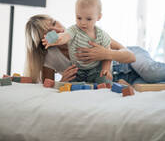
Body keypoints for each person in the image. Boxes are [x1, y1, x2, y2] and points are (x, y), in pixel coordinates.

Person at [25, 14, 165, 85]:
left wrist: (106, 53)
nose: (57, 29)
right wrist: (62, 82)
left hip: (126, 61)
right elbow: (48, 88)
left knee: (150, 73)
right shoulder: (50, 58)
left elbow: (126, 53)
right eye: (50, 32)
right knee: (149, 87)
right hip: (118, 79)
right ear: (45, 40)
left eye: (54, 23)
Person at [43, 0, 113, 84]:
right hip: (78, 70)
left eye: (88, 19)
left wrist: (106, 69)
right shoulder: (74, 30)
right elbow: (64, 36)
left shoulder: (102, 35)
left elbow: (108, 55)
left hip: (96, 69)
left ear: (98, 17)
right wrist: (56, 39)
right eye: (79, 18)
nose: (83, 23)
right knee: (70, 85)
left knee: (105, 81)